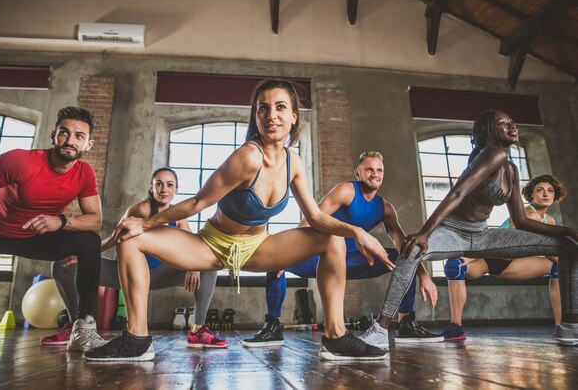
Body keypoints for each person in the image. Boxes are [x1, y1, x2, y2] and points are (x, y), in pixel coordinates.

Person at [84, 79, 396, 362]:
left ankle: (336, 336)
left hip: (258, 247)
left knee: (333, 238)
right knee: (132, 238)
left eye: (280, 107)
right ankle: (137, 338)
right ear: (256, 116)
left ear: (293, 117)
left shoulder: (294, 162)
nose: (271, 115)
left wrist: (357, 232)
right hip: (212, 245)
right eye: (264, 108)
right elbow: (196, 203)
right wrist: (145, 224)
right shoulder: (247, 157)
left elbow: (315, 217)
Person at [359, 110, 578, 350]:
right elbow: (457, 193)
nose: (511, 125)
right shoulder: (491, 154)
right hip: (453, 232)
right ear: (489, 131)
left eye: (512, 122)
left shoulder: (511, 169)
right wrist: (425, 234)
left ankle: (568, 325)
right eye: (502, 123)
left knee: (568, 246)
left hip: (483, 235)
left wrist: (567, 230)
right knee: (411, 252)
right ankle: (380, 329)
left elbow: (521, 220)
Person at [241, 151, 440, 348]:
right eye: (369, 169)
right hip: (323, 257)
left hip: (356, 260)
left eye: (379, 170)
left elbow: (402, 243)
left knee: (403, 256)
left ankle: (405, 322)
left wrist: (422, 274)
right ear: (357, 173)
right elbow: (312, 218)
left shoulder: (385, 208)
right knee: (274, 263)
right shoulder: (346, 191)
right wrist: (286, 254)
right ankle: (272, 326)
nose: (375, 174)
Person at [0, 107, 106, 352]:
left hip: (35, 239)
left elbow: (95, 220)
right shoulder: (20, 161)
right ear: (54, 135)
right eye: (64, 133)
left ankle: (84, 327)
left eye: (79, 136)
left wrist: (62, 221)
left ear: (88, 144)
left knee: (89, 240)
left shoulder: (84, 174)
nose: (70, 140)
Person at [41, 168, 227, 348]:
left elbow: (191, 247)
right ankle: (76, 327)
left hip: (159, 273)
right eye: (159, 184)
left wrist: (194, 267)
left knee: (210, 266)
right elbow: (114, 238)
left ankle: (198, 330)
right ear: (151, 187)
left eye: (169, 185)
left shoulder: (178, 215)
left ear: (176, 189)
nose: (164, 189)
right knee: (61, 266)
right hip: (128, 274)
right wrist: (86, 256)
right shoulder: (141, 209)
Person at [442, 174, 566, 340]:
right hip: (490, 258)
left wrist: (568, 265)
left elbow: (549, 253)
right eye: (540, 190)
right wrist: (471, 257)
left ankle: (561, 326)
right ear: (531, 195)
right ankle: (455, 326)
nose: (546, 194)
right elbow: (507, 244)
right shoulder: (529, 214)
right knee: (454, 265)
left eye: (550, 191)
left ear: (555, 195)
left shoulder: (549, 220)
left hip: (514, 263)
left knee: (559, 267)